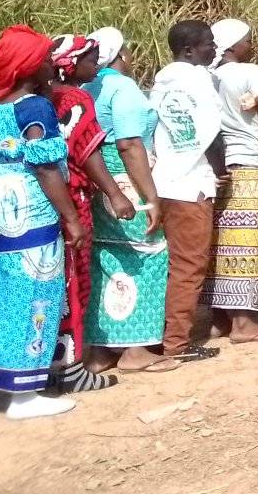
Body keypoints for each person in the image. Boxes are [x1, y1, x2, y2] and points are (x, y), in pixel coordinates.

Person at [0, 26, 83, 418]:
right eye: (45, 58)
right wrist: (71, 217)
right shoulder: (34, 108)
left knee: (0, 300)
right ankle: (25, 397)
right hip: (32, 217)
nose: (51, 65)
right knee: (34, 298)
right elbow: (46, 170)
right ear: (30, 67)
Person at [45, 35, 134, 394]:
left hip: (44, 199)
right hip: (74, 198)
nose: (95, 67)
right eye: (91, 60)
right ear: (71, 64)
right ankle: (72, 368)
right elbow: (86, 154)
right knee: (76, 277)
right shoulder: (77, 99)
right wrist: (115, 193)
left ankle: (47, 364)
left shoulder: (37, 97)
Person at [85, 26, 173, 373]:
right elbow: (129, 144)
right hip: (125, 179)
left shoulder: (84, 86)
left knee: (106, 257)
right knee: (147, 254)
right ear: (123, 53)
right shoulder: (121, 88)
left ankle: (103, 349)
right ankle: (137, 348)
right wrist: (151, 197)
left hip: (99, 182)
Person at [149, 20, 223, 363]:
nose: (215, 49)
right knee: (188, 266)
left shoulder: (161, 81)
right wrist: (220, 169)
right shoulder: (198, 80)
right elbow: (210, 132)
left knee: (166, 264)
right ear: (189, 50)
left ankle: (154, 336)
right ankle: (176, 344)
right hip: (191, 183)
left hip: (162, 180)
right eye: (209, 43)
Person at [203, 19, 258, 342]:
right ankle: (244, 323)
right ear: (234, 46)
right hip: (248, 162)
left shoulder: (207, 76)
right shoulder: (249, 72)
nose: (252, 46)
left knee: (219, 242)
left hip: (217, 165)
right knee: (246, 242)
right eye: (248, 41)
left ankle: (218, 318)